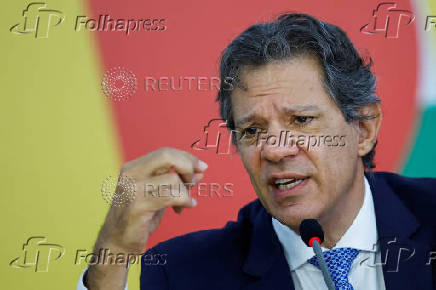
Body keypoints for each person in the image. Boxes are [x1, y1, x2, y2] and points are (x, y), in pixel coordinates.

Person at [78, 13, 436, 289]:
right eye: (253, 131)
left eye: (301, 120)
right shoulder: (185, 274)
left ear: (364, 129)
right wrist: (113, 255)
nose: (276, 151)